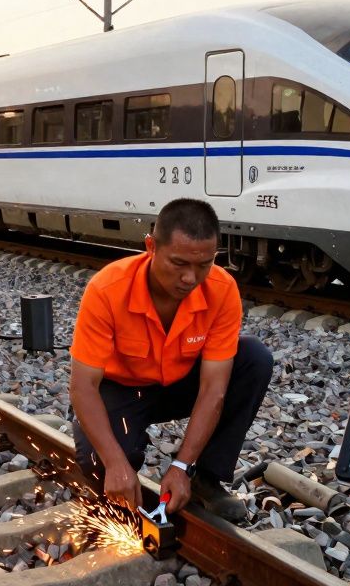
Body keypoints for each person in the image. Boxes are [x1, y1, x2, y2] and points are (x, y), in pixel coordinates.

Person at [69, 198, 273, 523]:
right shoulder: (107, 289)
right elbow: (82, 387)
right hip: (121, 389)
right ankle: (120, 465)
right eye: (178, 264)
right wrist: (117, 463)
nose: (190, 278)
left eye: (204, 264)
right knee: (101, 463)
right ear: (150, 246)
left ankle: (205, 478)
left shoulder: (222, 290)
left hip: (179, 385)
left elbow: (213, 390)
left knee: (254, 358)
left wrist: (182, 466)